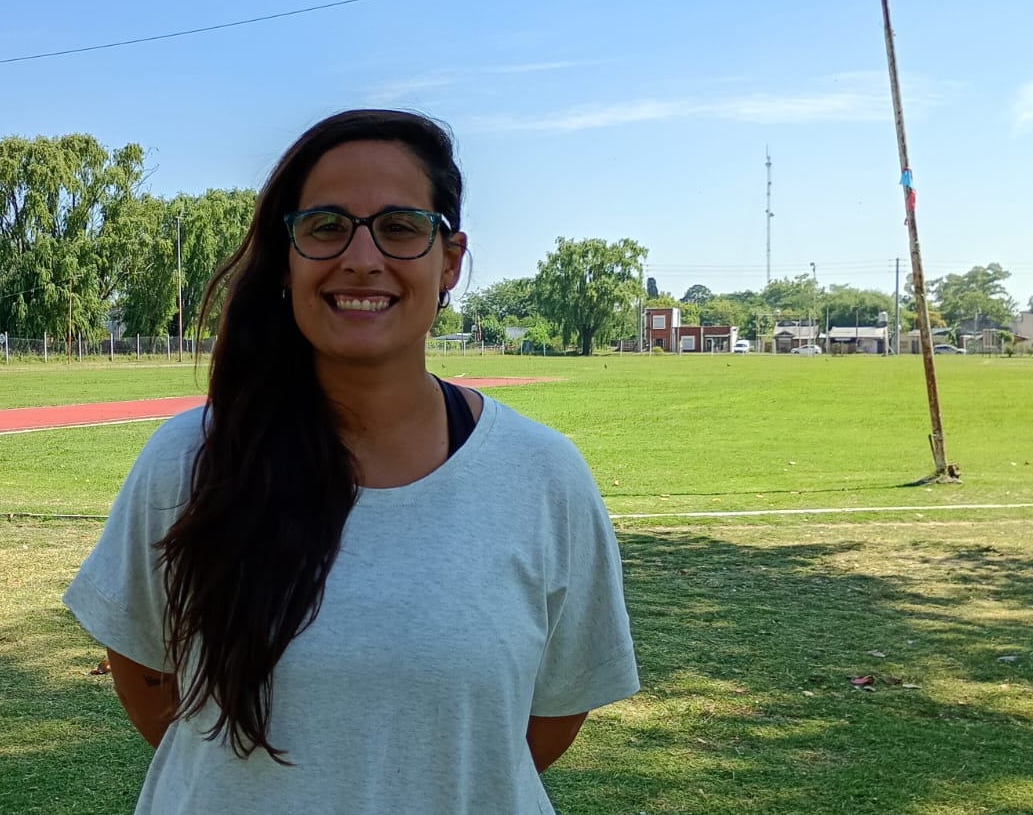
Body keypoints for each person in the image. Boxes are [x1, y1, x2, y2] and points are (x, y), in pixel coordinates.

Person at [63, 109, 638, 813]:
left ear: (449, 260)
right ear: (288, 258)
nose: (362, 258)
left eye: (399, 227)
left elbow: (545, 720)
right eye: (327, 226)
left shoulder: (543, 476)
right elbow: (147, 679)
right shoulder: (191, 460)